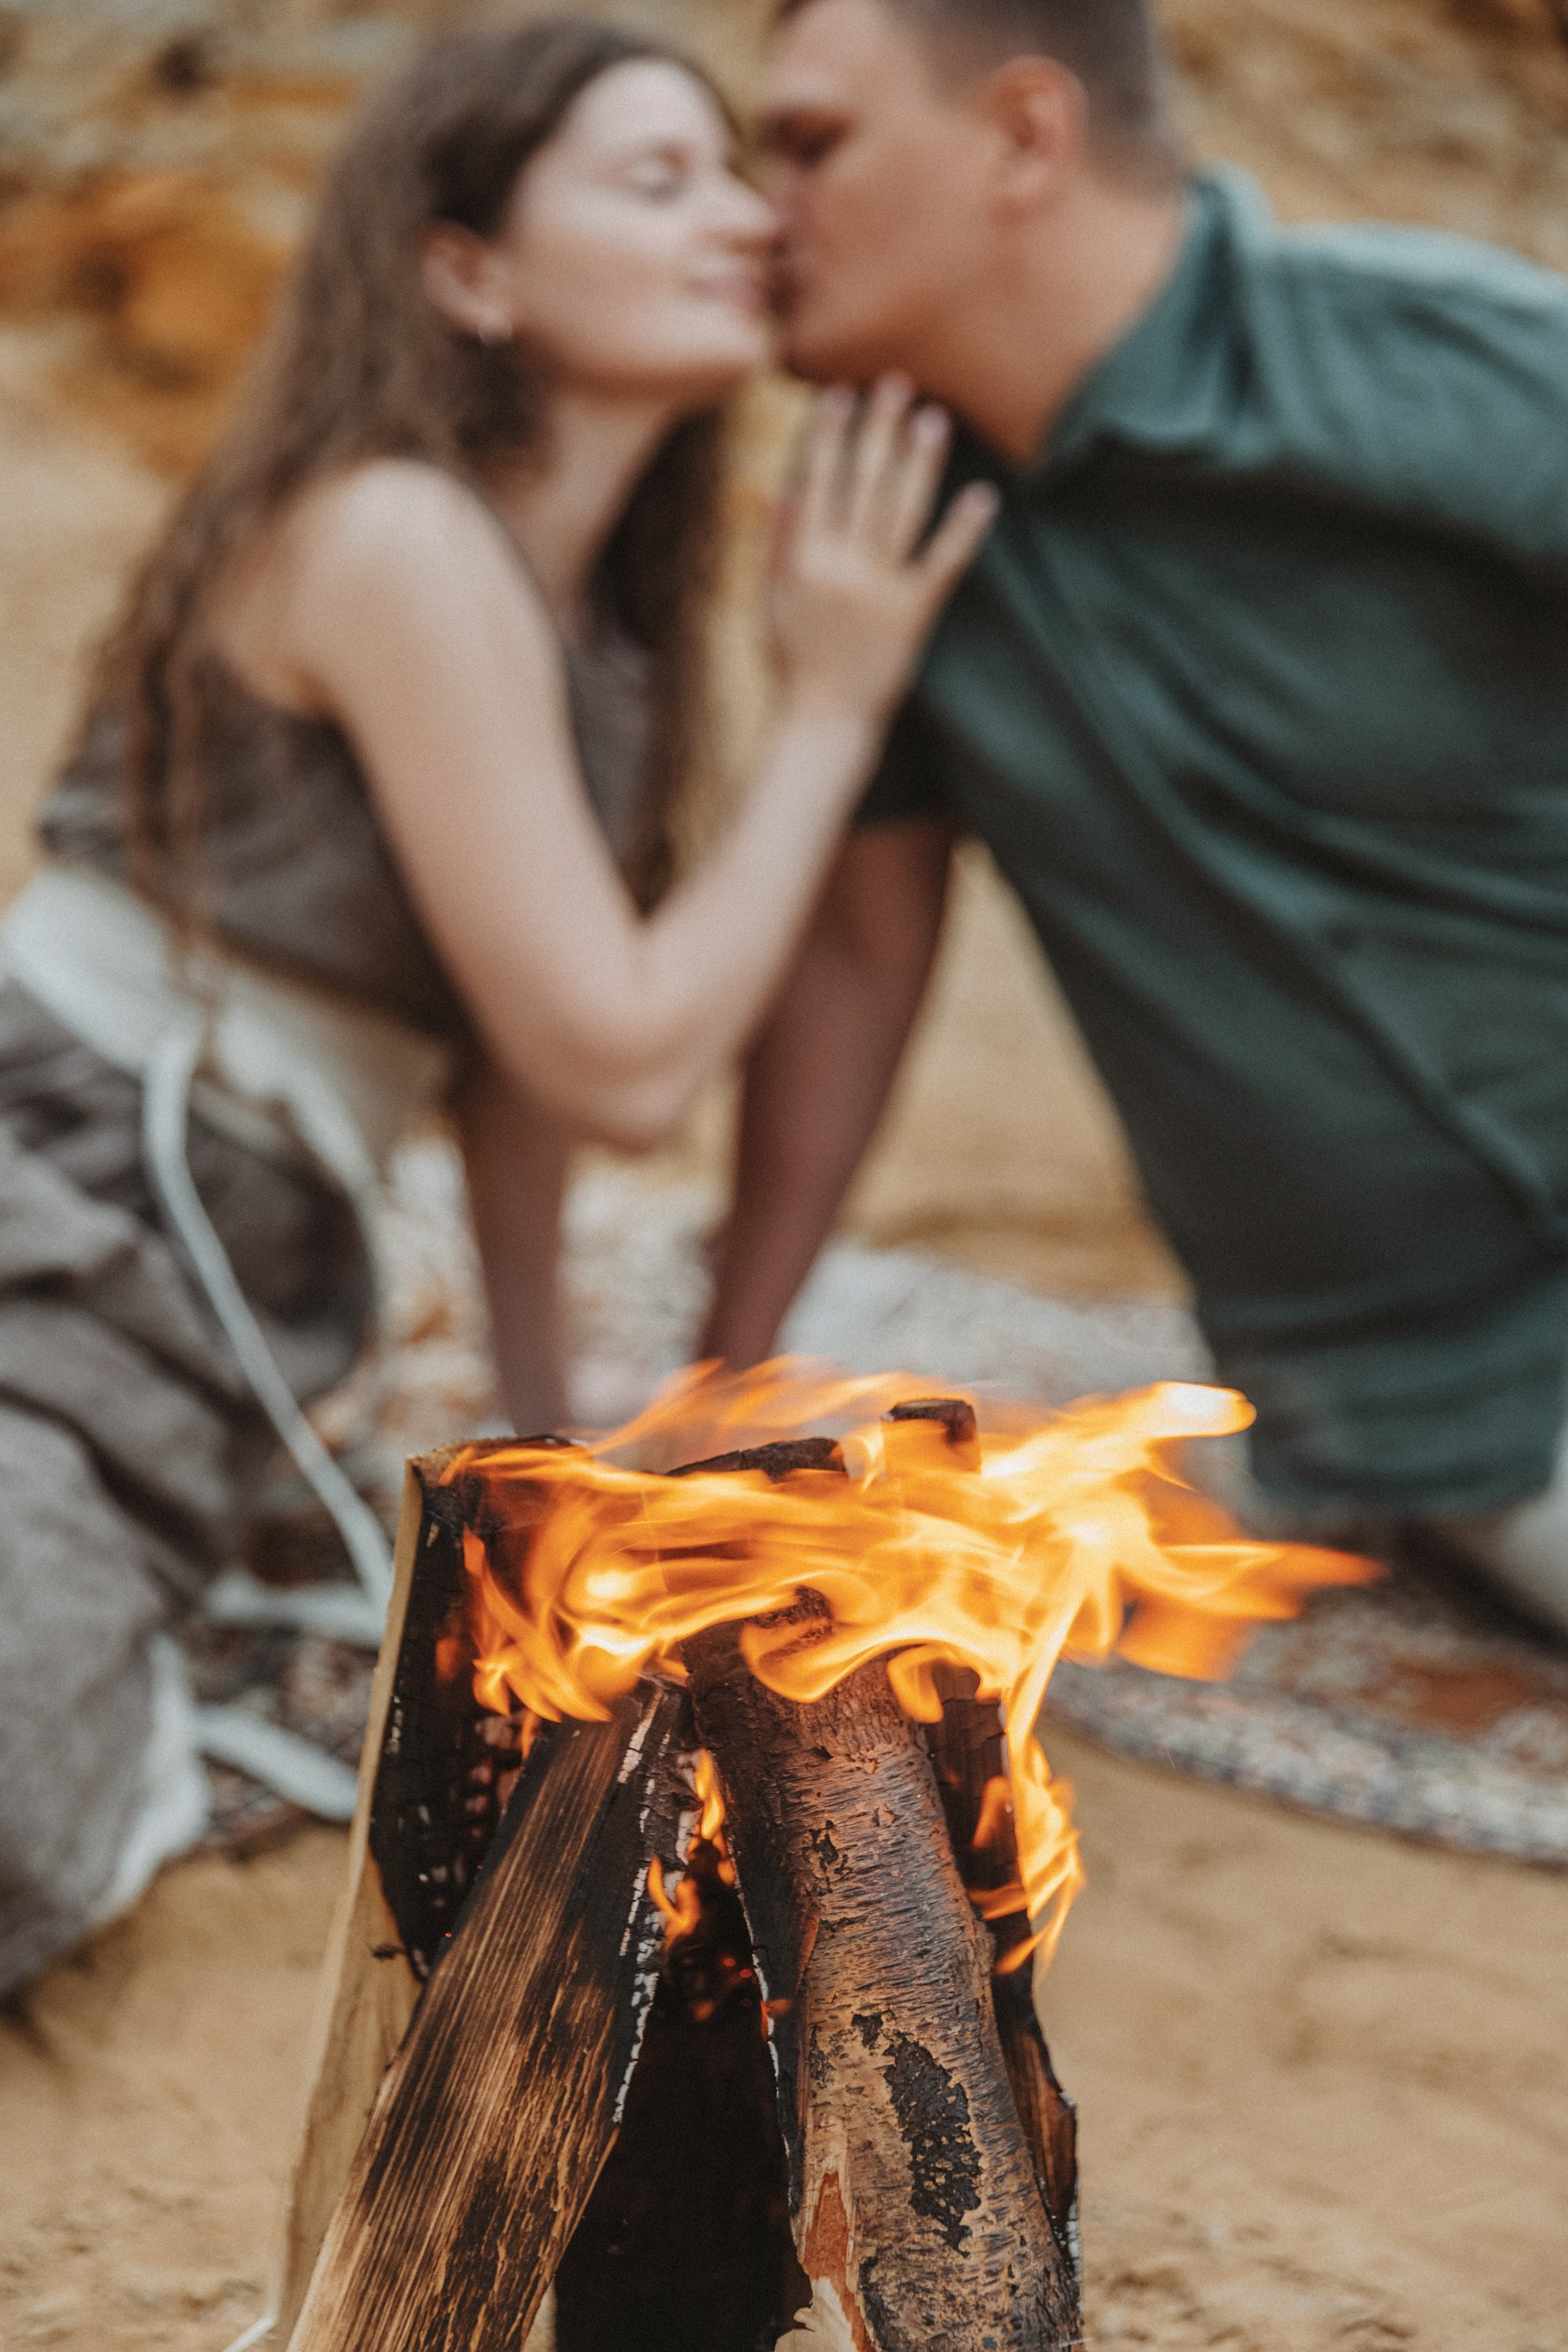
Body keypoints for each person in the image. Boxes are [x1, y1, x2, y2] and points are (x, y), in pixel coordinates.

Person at [0, 16, 996, 1995]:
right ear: (466, 270)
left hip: (221, 1261)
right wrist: (833, 706)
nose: (738, 216)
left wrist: (545, 1446)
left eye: (735, 172)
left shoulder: (593, 635)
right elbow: (614, 1056)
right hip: (67, 1176)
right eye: (655, 181)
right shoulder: (397, 535)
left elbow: (503, 1073)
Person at [701, 0, 1568, 1636]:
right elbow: (852, 973)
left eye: (810, 143)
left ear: (1022, 139)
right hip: (1434, 1397)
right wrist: (713, 1404)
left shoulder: (1443, 365)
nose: (759, 214)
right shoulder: (876, 526)